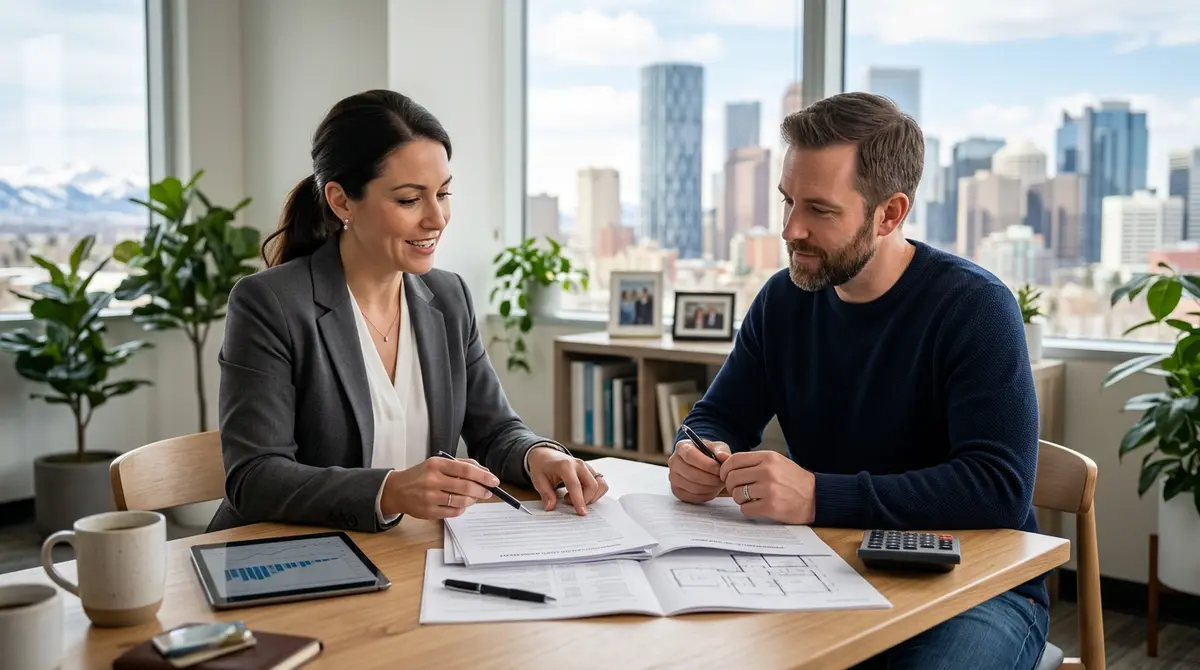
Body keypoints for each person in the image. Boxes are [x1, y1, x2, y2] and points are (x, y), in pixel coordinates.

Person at [668, 92, 1048, 669]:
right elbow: (716, 416)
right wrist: (696, 451)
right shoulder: (783, 301)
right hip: (824, 566)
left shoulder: (975, 307)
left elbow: (997, 487)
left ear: (890, 214)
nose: (791, 229)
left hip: (972, 584)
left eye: (819, 210)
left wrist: (819, 494)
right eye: (787, 201)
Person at [208, 89, 607, 534]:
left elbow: (494, 431)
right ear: (342, 202)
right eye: (409, 200)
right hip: (290, 561)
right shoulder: (270, 303)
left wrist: (539, 454)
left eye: (443, 192)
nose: (436, 219)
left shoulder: (449, 296)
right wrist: (390, 491)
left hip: (407, 556)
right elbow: (255, 477)